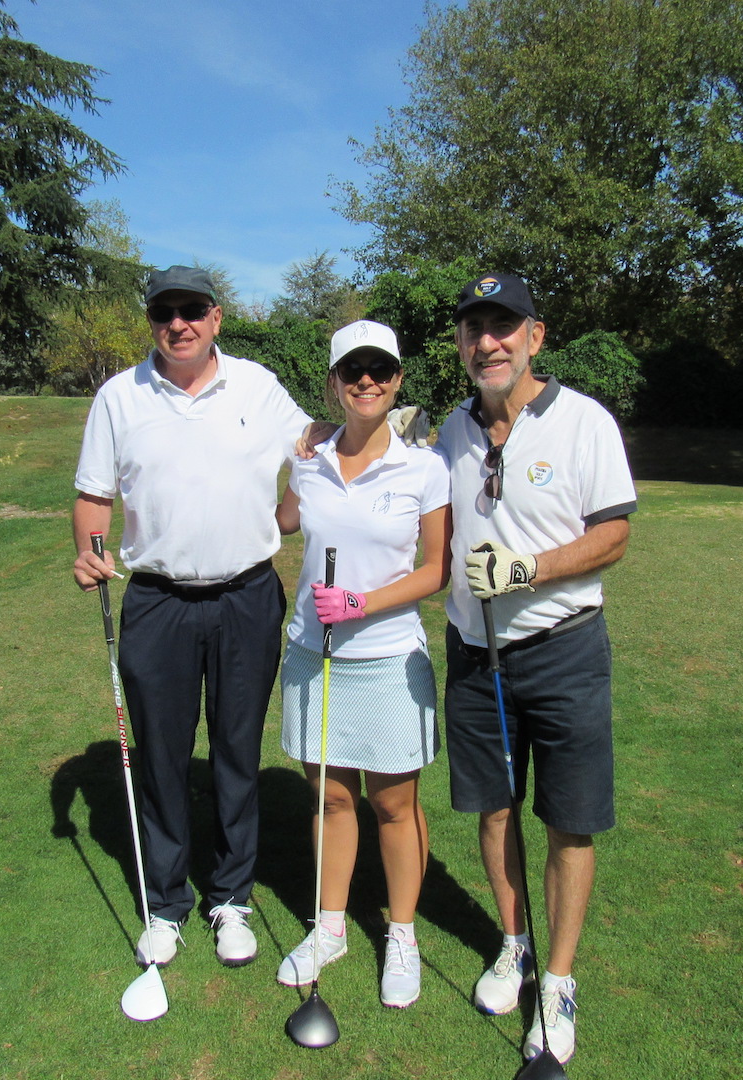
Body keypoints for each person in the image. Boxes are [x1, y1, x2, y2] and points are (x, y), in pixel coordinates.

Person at [71, 265, 312, 970]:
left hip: (246, 596)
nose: (178, 323)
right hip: (157, 600)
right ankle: (167, 903)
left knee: (238, 750)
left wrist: (285, 519)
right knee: (162, 756)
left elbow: (313, 450)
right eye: (164, 312)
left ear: (216, 316)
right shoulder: (119, 396)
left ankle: (231, 898)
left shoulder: (259, 387)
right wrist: (89, 551)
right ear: (152, 320)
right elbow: (93, 494)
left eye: (192, 310)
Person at [436, 273, 636, 1063]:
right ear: (460, 343)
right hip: (474, 653)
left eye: (503, 326)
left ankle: (557, 979)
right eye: (474, 329)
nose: (488, 341)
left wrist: (526, 571)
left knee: (568, 820)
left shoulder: (584, 422)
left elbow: (613, 536)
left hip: (563, 652)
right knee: (493, 809)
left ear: (535, 336)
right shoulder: (450, 429)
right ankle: (513, 943)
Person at [273, 320, 451, 1008]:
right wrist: (290, 452)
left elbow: (435, 569)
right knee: (332, 796)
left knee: (393, 802)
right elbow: (285, 521)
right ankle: (331, 926)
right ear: (334, 384)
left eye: (380, 370)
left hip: (385, 656)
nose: (367, 382)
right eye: (353, 372)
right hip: (311, 653)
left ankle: (401, 933)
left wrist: (363, 602)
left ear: (398, 379)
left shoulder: (423, 468)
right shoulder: (309, 461)